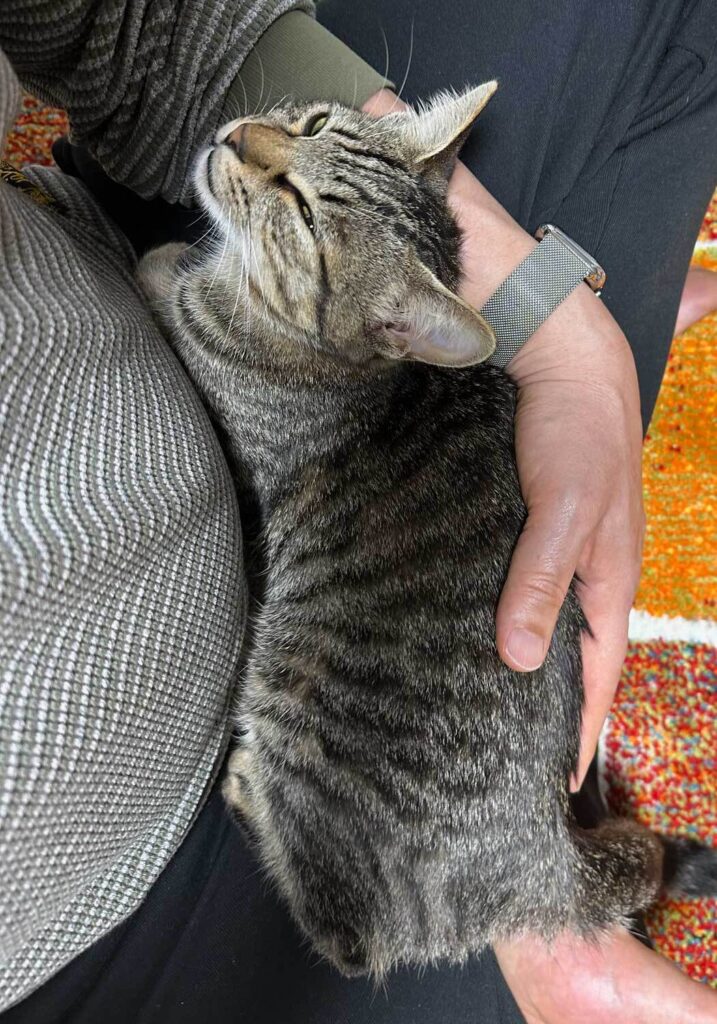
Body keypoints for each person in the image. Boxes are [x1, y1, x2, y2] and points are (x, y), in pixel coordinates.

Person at [1, 2, 716, 1022]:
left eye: (297, 135)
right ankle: (536, 914)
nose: (257, 144)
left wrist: (556, 319)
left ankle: (538, 864)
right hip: (138, 917)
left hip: (138, 275)